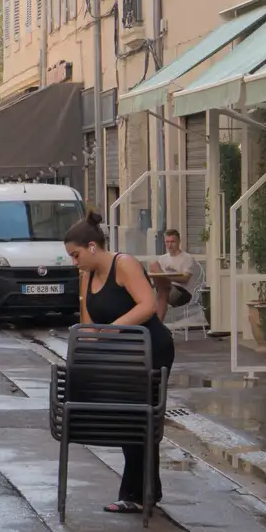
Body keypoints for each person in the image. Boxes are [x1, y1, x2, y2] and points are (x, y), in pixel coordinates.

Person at [65, 212, 174, 515]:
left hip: (151, 347)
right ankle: (144, 491)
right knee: (127, 417)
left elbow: (148, 305)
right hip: (121, 352)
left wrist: (110, 329)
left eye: (76, 255)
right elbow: (89, 325)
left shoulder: (123, 264)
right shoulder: (87, 276)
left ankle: (139, 493)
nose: (75, 262)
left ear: (91, 246)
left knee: (141, 417)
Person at [149, 229, 197, 317]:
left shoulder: (187, 258)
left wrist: (166, 279)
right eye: (167, 242)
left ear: (179, 241)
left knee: (162, 290)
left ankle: (157, 325)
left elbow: (185, 278)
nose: (169, 245)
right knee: (153, 265)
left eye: (172, 242)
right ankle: (158, 326)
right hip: (165, 288)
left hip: (181, 292)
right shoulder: (162, 258)